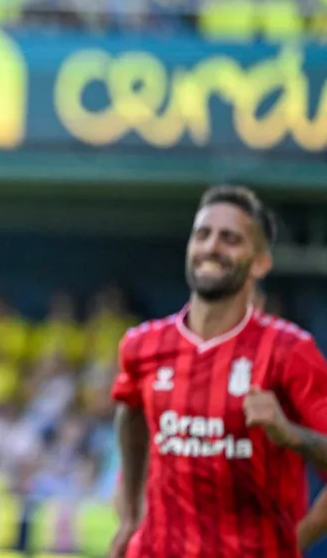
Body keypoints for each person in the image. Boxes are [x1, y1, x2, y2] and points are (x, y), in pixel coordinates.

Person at [109, 185, 327, 558]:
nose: (212, 247)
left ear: (260, 263)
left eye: (231, 239)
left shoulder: (290, 352)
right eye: (202, 234)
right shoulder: (142, 345)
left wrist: (289, 435)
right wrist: (131, 515)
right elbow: (129, 413)